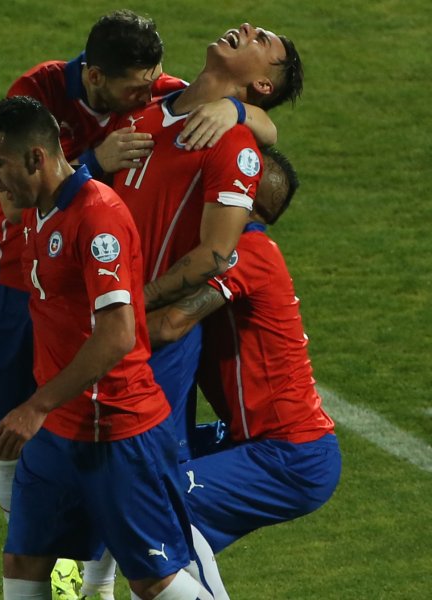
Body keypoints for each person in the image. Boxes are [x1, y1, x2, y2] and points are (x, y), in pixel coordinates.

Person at [0, 11, 281, 598]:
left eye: (264, 42)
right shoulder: (117, 103)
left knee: (149, 548)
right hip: (36, 300)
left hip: (121, 341)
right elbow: (26, 181)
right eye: (135, 85)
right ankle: (82, 576)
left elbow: (218, 248)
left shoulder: (205, 129)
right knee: (22, 520)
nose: (147, 89)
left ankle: (97, 582)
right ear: (97, 77)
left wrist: (239, 112)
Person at [0, 95, 217, 600]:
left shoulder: (97, 218)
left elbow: (118, 334)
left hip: (115, 429)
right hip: (58, 427)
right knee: (24, 559)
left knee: (153, 579)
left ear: (35, 159)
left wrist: (34, 406)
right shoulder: (36, 209)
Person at [103, 22, 304, 462]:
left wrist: (130, 309)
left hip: (147, 343)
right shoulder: (150, 103)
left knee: (142, 494)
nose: (248, 28)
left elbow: (214, 255)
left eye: (262, 41)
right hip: (96, 323)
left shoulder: (231, 144)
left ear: (262, 83)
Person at [147, 148, 341, 575]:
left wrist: (95, 328)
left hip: (289, 454)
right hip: (257, 441)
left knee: (160, 503)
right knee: (132, 470)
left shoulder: (246, 252)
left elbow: (170, 326)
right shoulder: (239, 250)